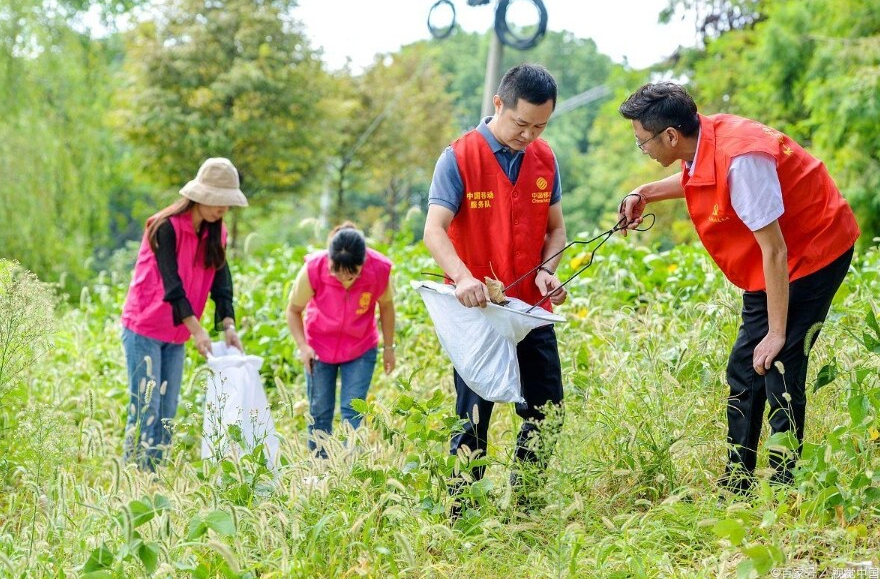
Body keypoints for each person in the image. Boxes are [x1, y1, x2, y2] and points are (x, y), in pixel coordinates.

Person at [617, 82, 860, 492]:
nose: (644, 149)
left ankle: (785, 487)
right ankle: (737, 482)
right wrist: (646, 192)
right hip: (772, 260)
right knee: (745, 367)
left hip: (814, 249)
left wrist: (777, 333)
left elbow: (776, 251)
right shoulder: (703, 142)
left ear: (671, 135)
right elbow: (704, 180)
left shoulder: (742, 159)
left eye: (643, 143)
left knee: (778, 364)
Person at [423, 63, 568, 507]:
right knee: (472, 418)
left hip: (529, 308)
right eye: (521, 123)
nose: (529, 135)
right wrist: (464, 277)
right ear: (498, 104)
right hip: (477, 310)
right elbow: (434, 230)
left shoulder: (545, 159)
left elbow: (556, 230)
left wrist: (549, 269)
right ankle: (463, 514)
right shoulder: (458, 157)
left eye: (540, 126)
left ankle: (524, 506)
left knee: (548, 409)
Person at [121, 157, 248, 471]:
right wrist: (198, 329)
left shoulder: (216, 234)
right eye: (219, 201)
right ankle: (132, 478)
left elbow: (222, 282)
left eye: (227, 203)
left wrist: (228, 326)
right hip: (145, 327)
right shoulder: (165, 227)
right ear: (200, 195)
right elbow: (172, 283)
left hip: (175, 334)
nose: (223, 209)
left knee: (166, 412)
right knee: (145, 408)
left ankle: (155, 477)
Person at [286, 222, 396, 457]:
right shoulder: (314, 268)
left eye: (352, 274)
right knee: (319, 412)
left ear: (362, 263)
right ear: (330, 261)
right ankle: (320, 470)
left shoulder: (379, 269)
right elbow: (293, 310)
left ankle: (349, 473)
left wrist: (389, 348)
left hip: (361, 348)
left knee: (352, 411)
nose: (344, 279)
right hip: (319, 348)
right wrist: (303, 347)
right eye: (337, 272)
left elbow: (386, 306)